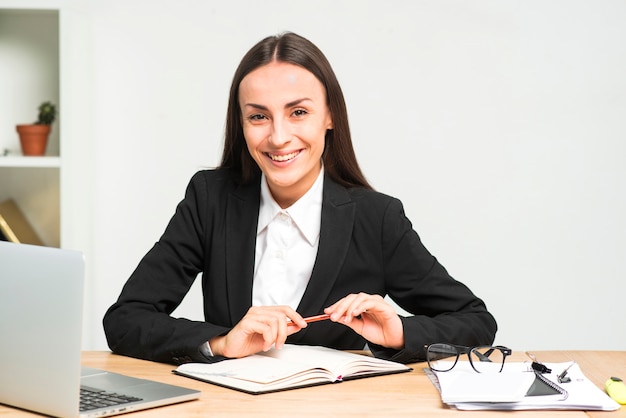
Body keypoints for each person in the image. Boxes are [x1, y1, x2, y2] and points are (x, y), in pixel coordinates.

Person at [103, 32, 497, 365]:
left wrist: (398, 332)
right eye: (258, 117)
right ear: (241, 125)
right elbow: (125, 320)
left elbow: (475, 320)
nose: (277, 137)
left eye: (298, 112)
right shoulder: (210, 199)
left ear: (330, 117)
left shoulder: (377, 218)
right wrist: (222, 343)